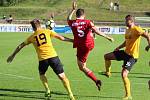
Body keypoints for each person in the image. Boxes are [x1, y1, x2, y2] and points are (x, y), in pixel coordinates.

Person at [7, 19, 75, 100]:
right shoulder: (47, 31)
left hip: (43, 60)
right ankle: (70, 94)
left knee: (42, 74)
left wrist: (12, 55)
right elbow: (61, 38)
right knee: (62, 76)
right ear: (40, 24)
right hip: (53, 57)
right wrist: (72, 41)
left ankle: (47, 90)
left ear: (32, 27)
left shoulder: (31, 37)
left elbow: (20, 46)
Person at [67, 1, 114, 91]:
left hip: (82, 46)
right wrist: (107, 37)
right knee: (89, 32)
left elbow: (68, 18)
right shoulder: (87, 22)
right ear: (83, 15)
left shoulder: (72, 23)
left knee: (82, 67)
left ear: (76, 15)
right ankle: (89, 36)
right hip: (89, 44)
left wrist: (72, 9)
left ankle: (96, 80)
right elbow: (96, 30)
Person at [104, 15, 150, 99]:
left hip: (132, 57)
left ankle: (128, 95)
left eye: (126, 21)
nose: (125, 22)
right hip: (125, 53)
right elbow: (126, 42)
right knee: (107, 56)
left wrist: (149, 45)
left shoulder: (136, 29)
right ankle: (108, 72)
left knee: (124, 74)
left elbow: (147, 35)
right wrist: (119, 47)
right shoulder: (128, 30)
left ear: (131, 21)